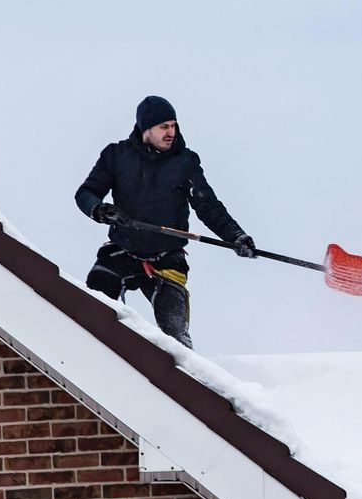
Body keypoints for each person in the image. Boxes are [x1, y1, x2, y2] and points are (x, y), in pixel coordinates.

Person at [75, 95, 254, 349]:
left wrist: (236, 236)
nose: (171, 132)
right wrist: (100, 210)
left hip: (167, 259)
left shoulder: (185, 162)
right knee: (91, 308)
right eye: (164, 127)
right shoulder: (116, 155)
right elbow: (85, 194)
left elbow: (208, 206)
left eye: (173, 125)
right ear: (145, 129)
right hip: (121, 251)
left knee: (177, 341)